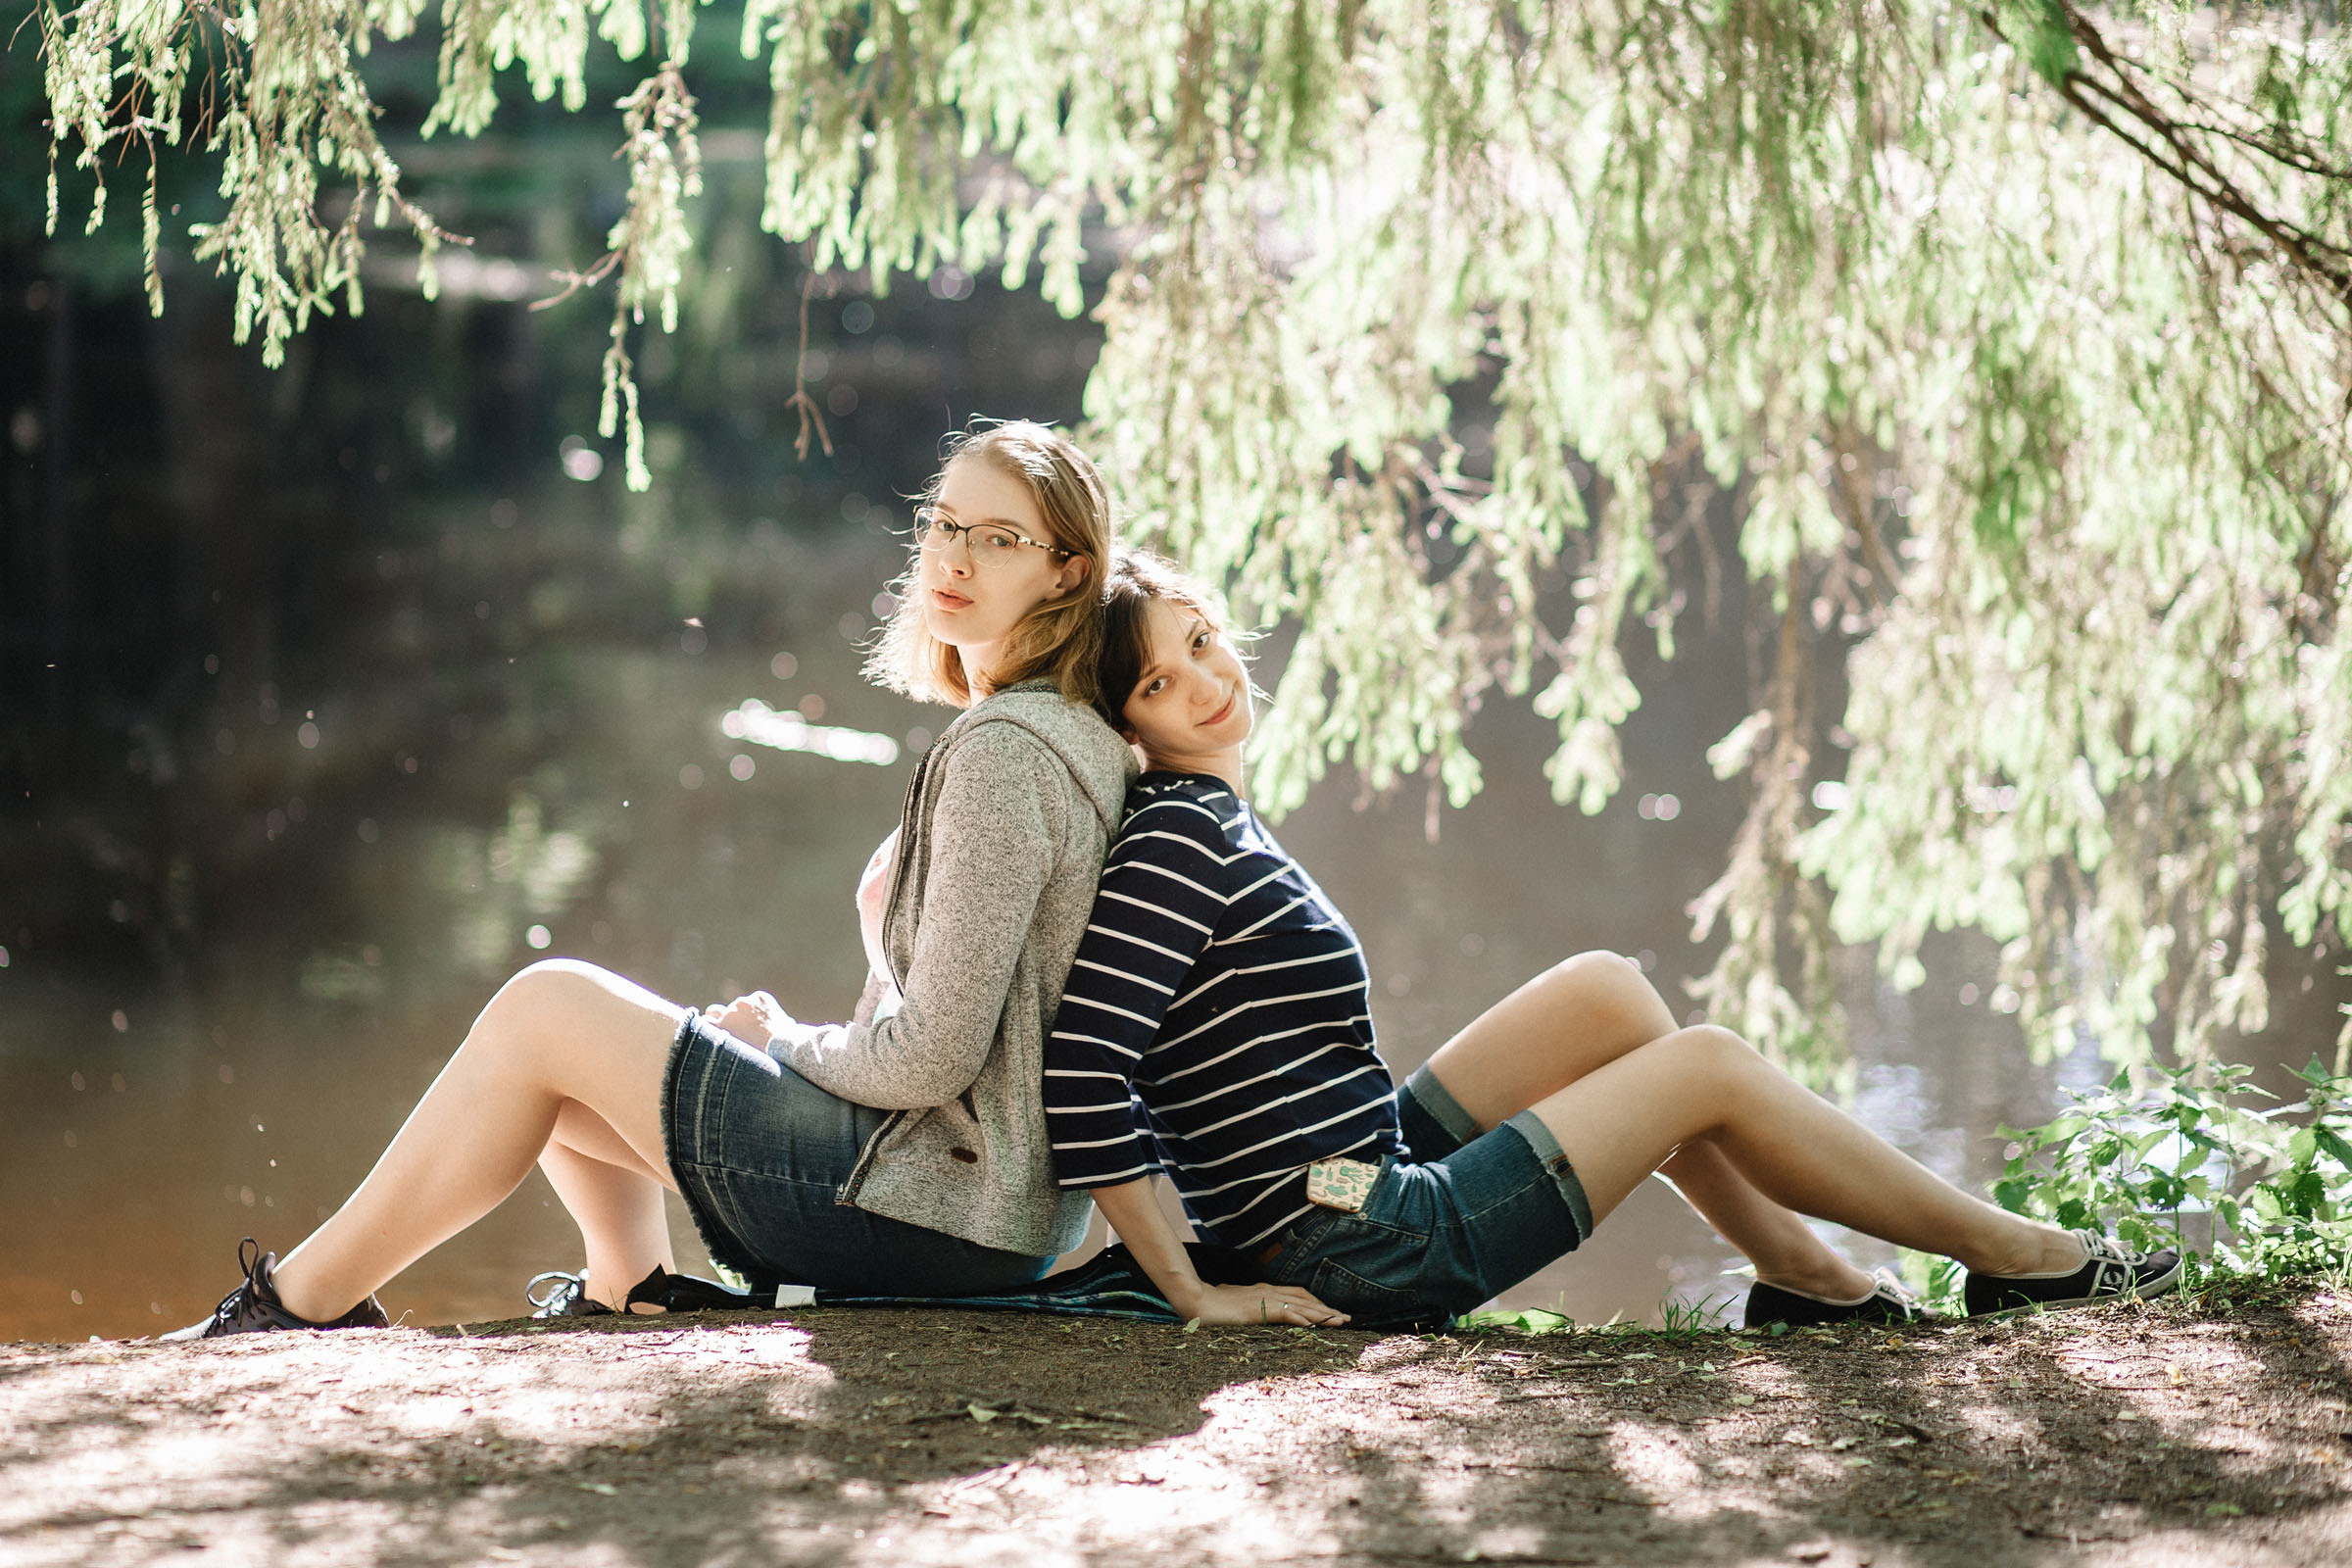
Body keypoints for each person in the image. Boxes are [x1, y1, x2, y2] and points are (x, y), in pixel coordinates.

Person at [1042, 552, 2181, 1330]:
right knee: (1708, 1065)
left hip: (1344, 1177)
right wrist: (1192, 1289)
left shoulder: (1214, 819)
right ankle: (2024, 1259)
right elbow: (1085, 1063)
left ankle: (1806, 1279)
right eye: (1157, 678)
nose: (1202, 679)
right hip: (1356, 1238)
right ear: (1127, 719)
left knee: (1609, 992)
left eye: (1200, 640)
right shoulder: (1182, 836)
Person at [170, 421, 1137, 1337]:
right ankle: (628, 1291)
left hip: (938, 1214)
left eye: (1001, 540)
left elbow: (934, 1061)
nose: (953, 559)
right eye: (944, 524)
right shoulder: (1059, 735)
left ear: (1068, 571)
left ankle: (294, 1307)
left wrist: (785, 1040)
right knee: (563, 1065)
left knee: (546, 1008)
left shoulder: (1006, 753)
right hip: (984, 1209)